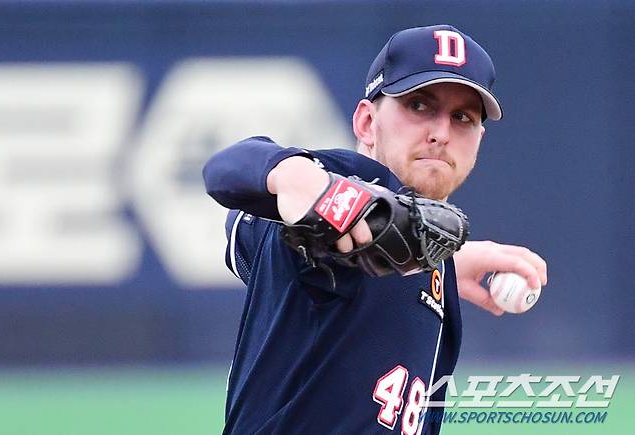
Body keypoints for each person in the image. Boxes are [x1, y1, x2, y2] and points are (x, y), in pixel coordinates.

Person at [203, 24, 547, 435]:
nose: (441, 133)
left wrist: (451, 261)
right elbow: (228, 170)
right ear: (367, 123)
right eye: (419, 106)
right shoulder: (338, 194)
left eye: (462, 117)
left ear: (479, 140)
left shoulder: (429, 247)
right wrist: (290, 173)